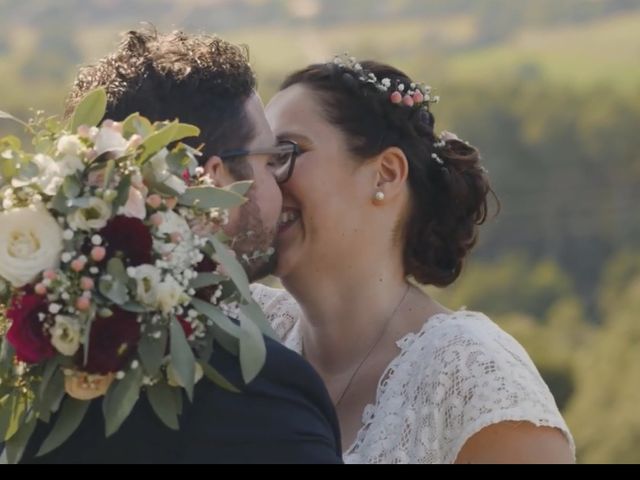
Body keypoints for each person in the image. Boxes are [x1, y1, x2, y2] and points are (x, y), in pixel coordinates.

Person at [15, 28, 342, 464]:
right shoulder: (261, 391)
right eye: (271, 160)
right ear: (214, 176)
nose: (281, 186)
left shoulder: (34, 373)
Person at [250, 57, 575, 463]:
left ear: (385, 174)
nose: (262, 182)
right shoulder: (243, 328)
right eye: (259, 162)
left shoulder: (472, 381)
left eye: (285, 153)